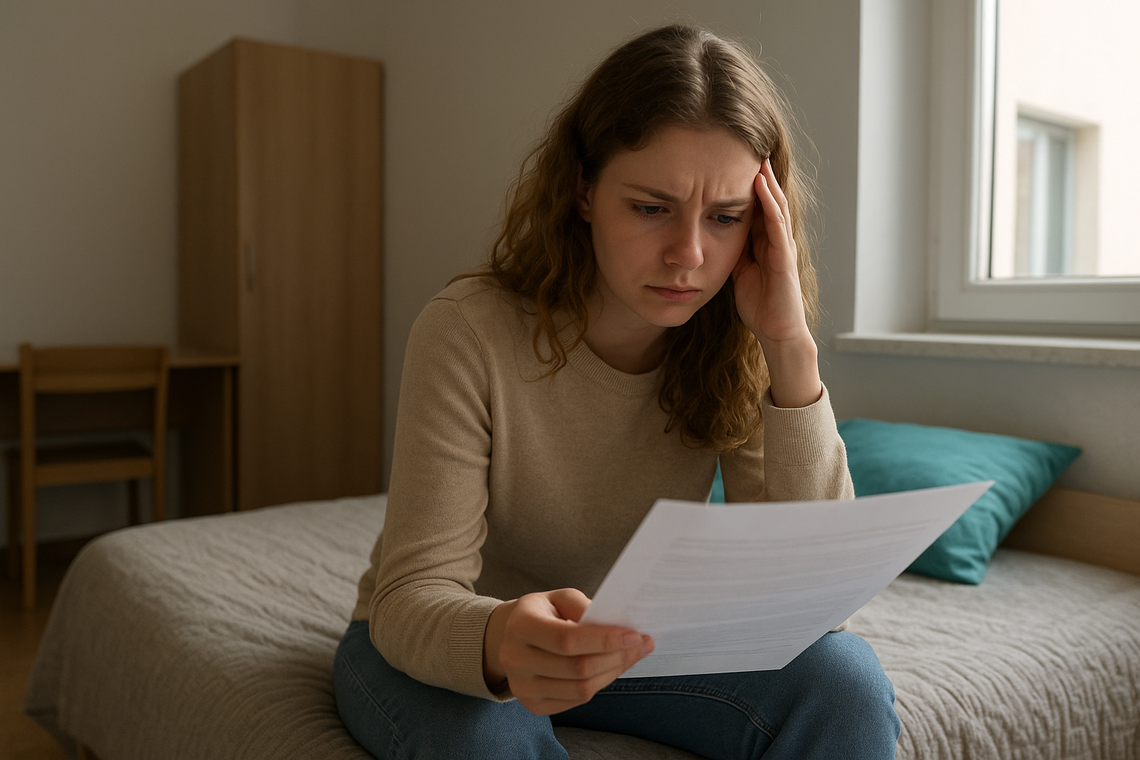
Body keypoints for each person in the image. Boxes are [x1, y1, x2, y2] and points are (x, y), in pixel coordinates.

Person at [333, 23, 900, 760]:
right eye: (651, 207)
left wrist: (789, 348)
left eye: (726, 219)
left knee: (843, 681)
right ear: (583, 189)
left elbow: (812, 597)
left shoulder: (735, 340)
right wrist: (502, 639)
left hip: (627, 642)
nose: (690, 256)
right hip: (445, 639)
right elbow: (410, 597)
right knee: (489, 734)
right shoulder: (468, 331)